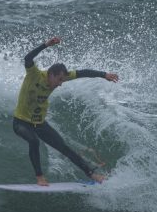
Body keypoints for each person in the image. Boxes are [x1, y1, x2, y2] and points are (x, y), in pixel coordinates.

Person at [13, 37, 119, 186]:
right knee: (33, 141)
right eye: (59, 80)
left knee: (64, 148)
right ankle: (39, 177)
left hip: (39, 123)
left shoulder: (60, 77)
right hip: (21, 122)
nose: (61, 84)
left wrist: (104, 75)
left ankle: (92, 174)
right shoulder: (34, 75)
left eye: (63, 80)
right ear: (51, 75)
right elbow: (28, 58)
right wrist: (45, 45)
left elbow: (83, 73)